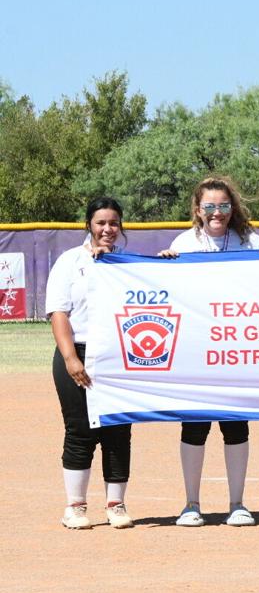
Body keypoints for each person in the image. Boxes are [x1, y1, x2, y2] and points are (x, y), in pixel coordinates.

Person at [157, 176, 259, 527]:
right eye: (209, 206)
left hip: (236, 348)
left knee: (236, 425)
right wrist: (164, 264)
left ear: (232, 208)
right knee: (194, 426)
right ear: (198, 209)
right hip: (195, 349)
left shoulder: (250, 240)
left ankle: (237, 503)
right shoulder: (183, 242)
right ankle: (191, 503)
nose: (217, 213)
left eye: (223, 206)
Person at [46, 197, 134, 529]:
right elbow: (58, 313)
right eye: (101, 223)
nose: (108, 229)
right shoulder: (70, 261)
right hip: (78, 352)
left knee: (118, 429)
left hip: (118, 356)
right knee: (80, 430)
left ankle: (116, 504)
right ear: (89, 225)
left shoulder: (129, 262)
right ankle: (75, 507)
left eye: (114, 223)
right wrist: (71, 358)